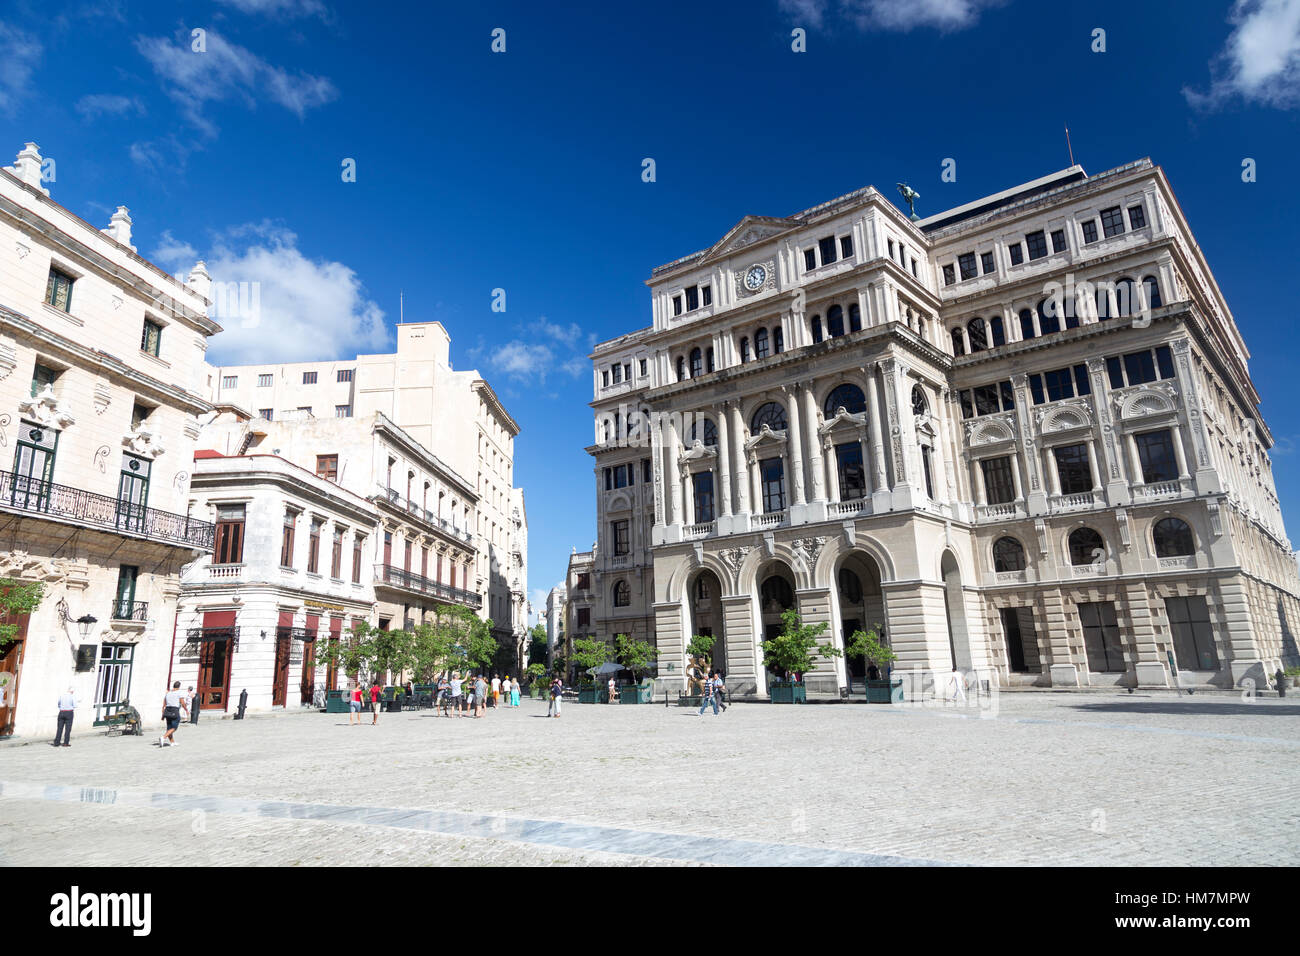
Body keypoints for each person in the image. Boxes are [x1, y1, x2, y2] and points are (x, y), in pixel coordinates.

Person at [161, 680, 188, 747]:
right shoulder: (179, 693)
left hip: (167, 710)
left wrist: (163, 710)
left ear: (173, 686)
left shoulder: (168, 693)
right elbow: (182, 702)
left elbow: (164, 702)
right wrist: (186, 709)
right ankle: (163, 737)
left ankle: (172, 742)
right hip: (174, 710)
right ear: (179, 686)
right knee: (174, 727)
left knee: (169, 727)